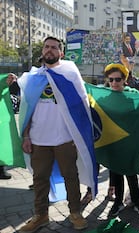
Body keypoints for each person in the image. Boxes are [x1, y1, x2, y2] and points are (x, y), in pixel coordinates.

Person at [18, 36, 93, 232]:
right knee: (39, 179)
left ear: (61, 53)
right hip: (38, 138)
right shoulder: (33, 77)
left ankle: (75, 212)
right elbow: (27, 110)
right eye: (46, 47)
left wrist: (79, 136)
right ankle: (41, 215)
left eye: (54, 47)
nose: (49, 50)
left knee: (71, 177)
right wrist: (26, 136)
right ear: (42, 51)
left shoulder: (70, 74)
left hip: (65, 138)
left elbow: (81, 106)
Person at [103, 63, 139, 216]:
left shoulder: (133, 95)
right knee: (116, 174)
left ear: (124, 80)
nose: (114, 83)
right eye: (111, 80)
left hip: (129, 143)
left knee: (130, 173)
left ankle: (136, 200)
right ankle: (118, 202)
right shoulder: (105, 98)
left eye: (118, 79)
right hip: (113, 143)